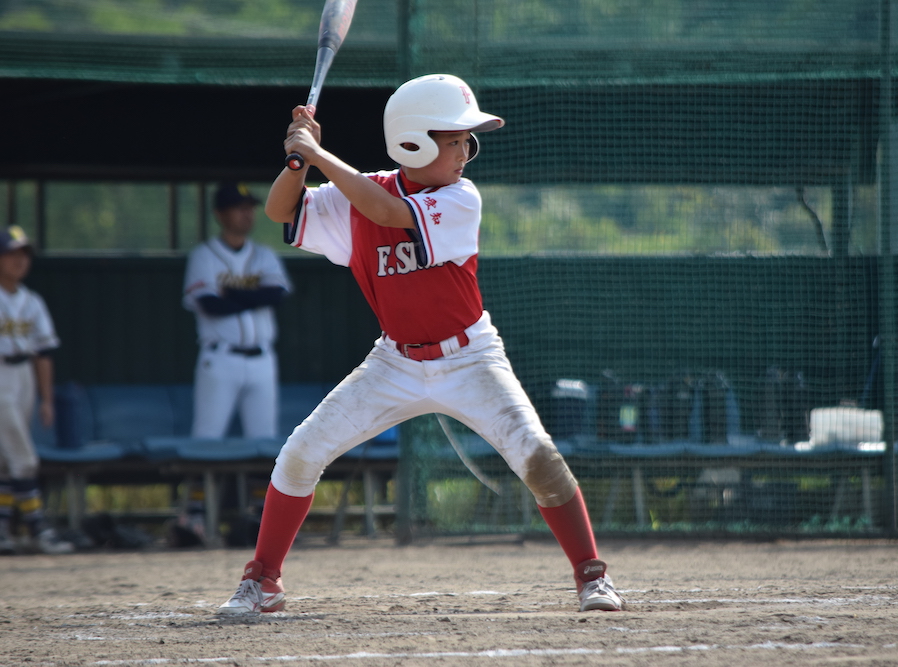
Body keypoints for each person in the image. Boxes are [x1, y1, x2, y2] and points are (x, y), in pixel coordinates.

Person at [217, 74, 624, 614]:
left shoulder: (460, 197)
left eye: (466, 141)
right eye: (454, 141)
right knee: (299, 454)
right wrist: (297, 163)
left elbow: (388, 214)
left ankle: (592, 575)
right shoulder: (359, 192)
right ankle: (263, 579)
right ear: (412, 143)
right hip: (395, 362)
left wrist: (317, 154)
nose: (464, 153)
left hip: (470, 357)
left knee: (538, 457)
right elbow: (280, 212)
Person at [183, 183, 292, 440]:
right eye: (238, 208)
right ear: (220, 214)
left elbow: (275, 297)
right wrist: (256, 297)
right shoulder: (204, 256)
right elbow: (212, 305)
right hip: (221, 358)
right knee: (207, 438)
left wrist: (231, 292)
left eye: (249, 208)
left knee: (265, 439)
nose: (247, 214)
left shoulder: (264, 255)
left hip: (263, 359)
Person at [0, 226, 75, 555]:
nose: (19, 260)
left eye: (24, 254)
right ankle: (37, 527)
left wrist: (47, 399)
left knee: (6, 460)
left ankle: (4, 529)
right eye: (11, 254)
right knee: (25, 458)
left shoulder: (32, 301)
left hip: (23, 375)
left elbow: (44, 352)